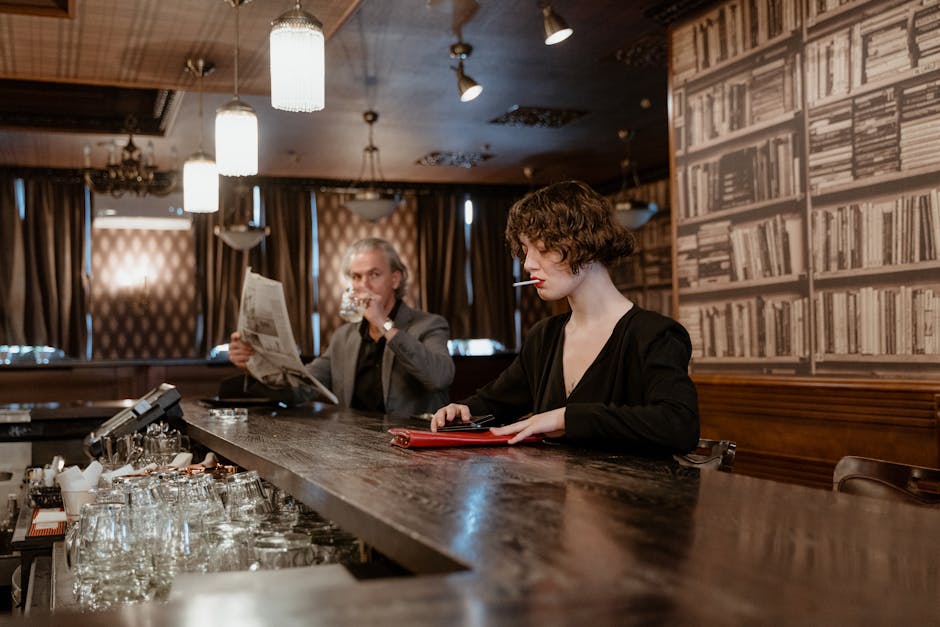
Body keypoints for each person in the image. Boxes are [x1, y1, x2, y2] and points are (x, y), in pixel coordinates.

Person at [431, 180, 699, 455]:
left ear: (588, 245)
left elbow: (679, 426)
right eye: (525, 250)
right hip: (551, 494)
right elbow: (494, 403)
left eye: (543, 249)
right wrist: (461, 410)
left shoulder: (655, 334)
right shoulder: (544, 336)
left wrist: (565, 418)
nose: (528, 264)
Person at [229, 238, 455, 416]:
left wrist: (383, 323)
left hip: (415, 452)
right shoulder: (343, 337)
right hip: (354, 450)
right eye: (356, 277)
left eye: (374, 274)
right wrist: (253, 363)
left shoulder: (430, 324)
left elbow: (439, 377)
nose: (363, 285)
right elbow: (302, 389)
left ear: (395, 280)